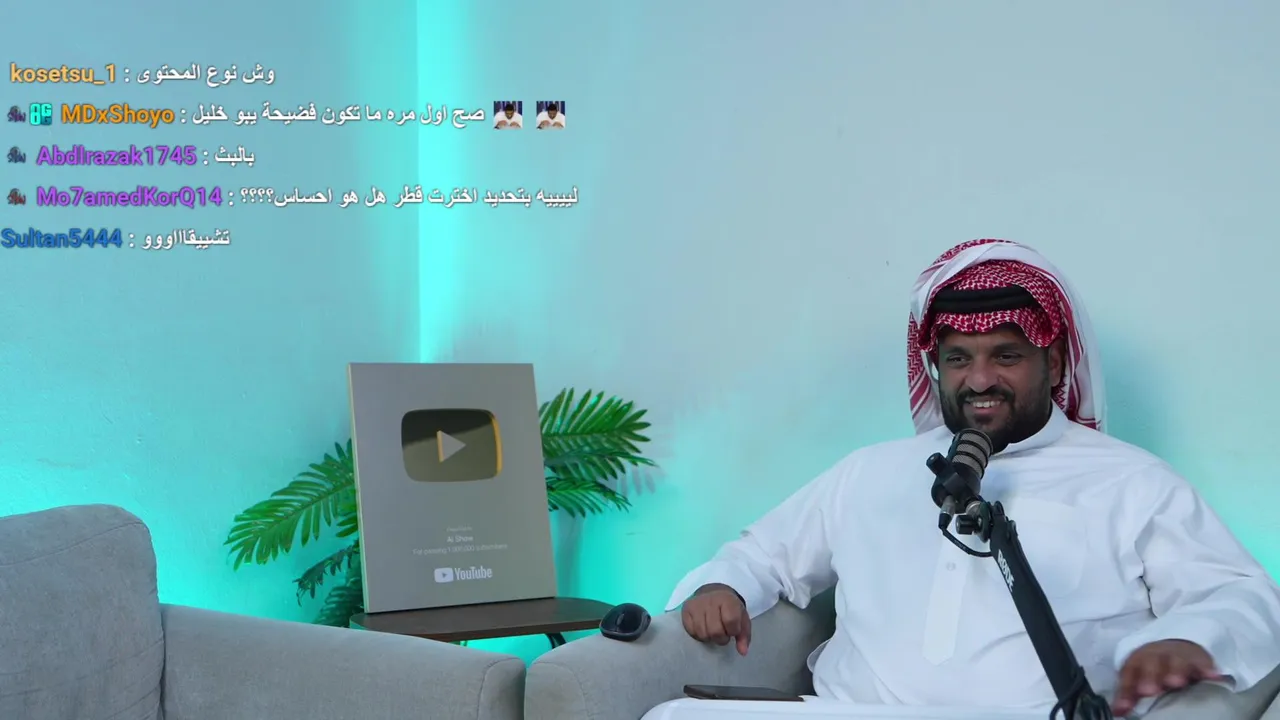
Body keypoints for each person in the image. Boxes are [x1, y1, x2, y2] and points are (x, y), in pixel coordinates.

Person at [653, 239, 1280, 719]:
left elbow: (1242, 595)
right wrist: (724, 585)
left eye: (1006, 356)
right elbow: (763, 554)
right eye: (958, 359)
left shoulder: (1131, 483)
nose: (979, 380)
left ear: (1052, 359)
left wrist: (1186, 638)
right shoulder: (868, 472)